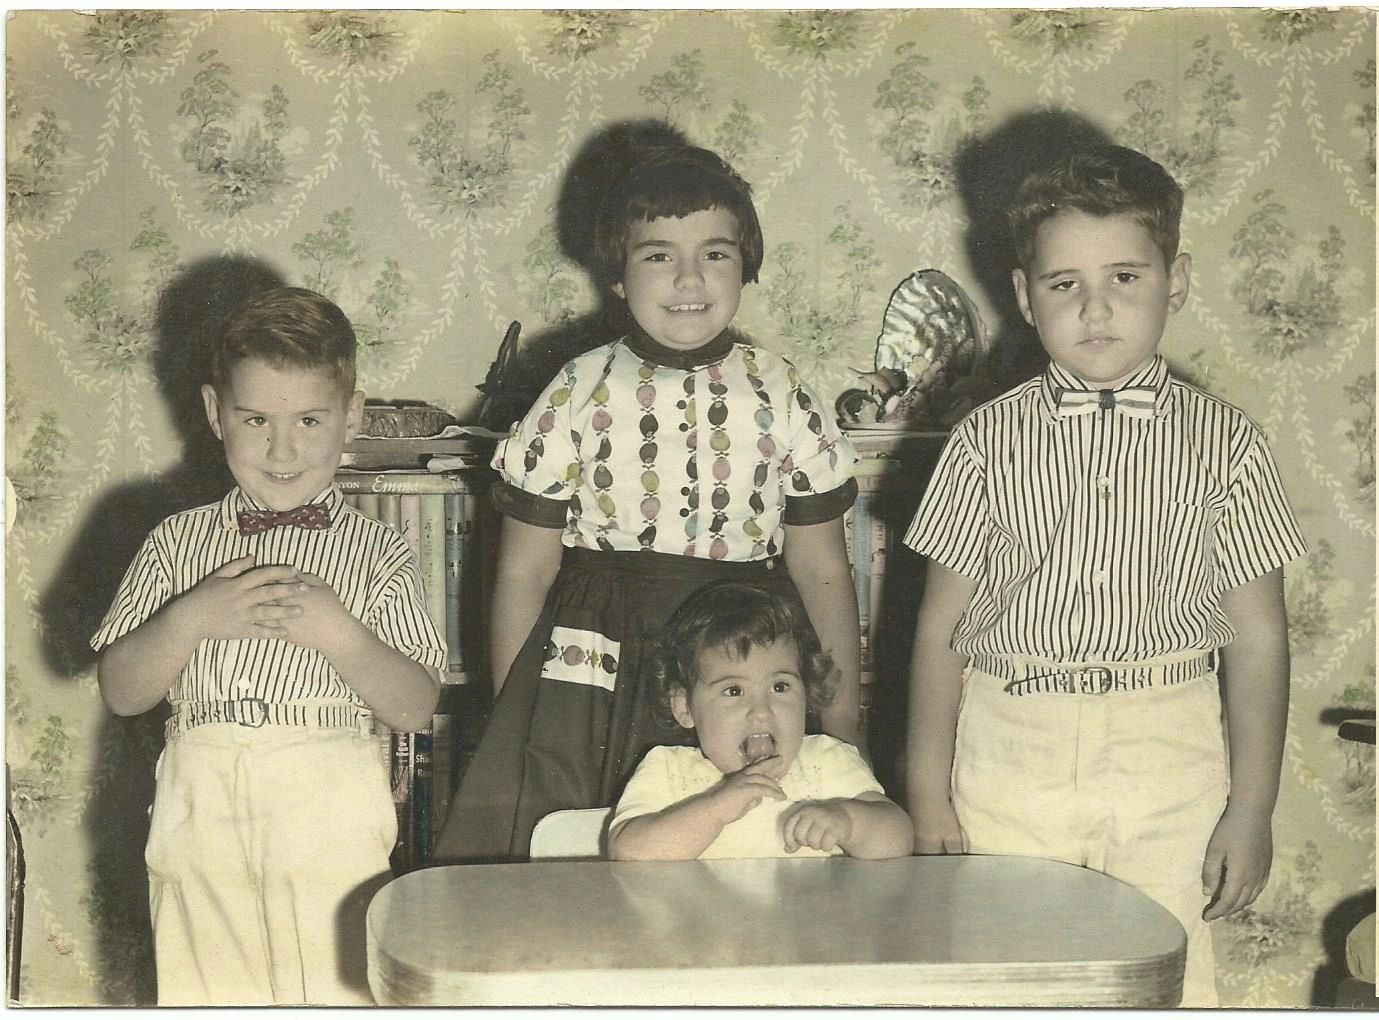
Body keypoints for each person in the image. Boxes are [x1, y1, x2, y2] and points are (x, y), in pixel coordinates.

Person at [902, 145, 1307, 1007]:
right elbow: (937, 632)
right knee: (1007, 978)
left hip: (1170, 747)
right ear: (1023, 296)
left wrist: (1252, 805)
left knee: (1159, 979)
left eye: (1124, 276)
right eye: (1063, 284)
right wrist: (927, 793)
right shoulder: (983, 441)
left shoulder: (1225, 442)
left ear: (1176, 279)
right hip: (1010, 748)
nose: (1095, 307)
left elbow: (1260, 635)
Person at [437, 145, 862, 862]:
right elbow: (521, 574)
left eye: (715, 255)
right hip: (598, 658)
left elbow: (822, 571)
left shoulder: (781, 391)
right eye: (659, 256)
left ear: (746, 266)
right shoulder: (577, 389)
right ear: (616, 273)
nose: (689, 279)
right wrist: (521, 708)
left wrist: (843, 713)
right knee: (582, 847)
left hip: (741, 648)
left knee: (745, 843)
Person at [90, 287, 446, 1005]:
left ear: (350, 416)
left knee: (335, 985)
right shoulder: (176, 542)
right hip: (201, 791)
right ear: (216, 413)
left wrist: (341, 635)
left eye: (309, 420)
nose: (281, 449)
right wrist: (189, 619)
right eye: (255, 419)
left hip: (327, 798)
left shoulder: (381, 553)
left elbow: (414, 705)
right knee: (204, 985)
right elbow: (123, 689)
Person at [609, 581, 912, 860]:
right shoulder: (667, 770)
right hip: (699, 919)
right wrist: (716, 808)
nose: (761, 711)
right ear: (685, 707)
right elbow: (629, 851)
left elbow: (898, 836)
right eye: (734, 690)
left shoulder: (827, 760)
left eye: (780, 687)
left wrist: (848, 821)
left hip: (810, 917)